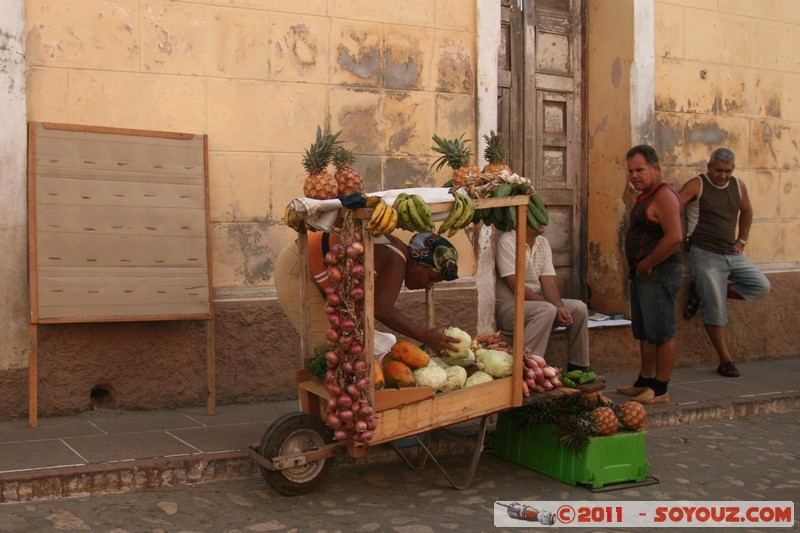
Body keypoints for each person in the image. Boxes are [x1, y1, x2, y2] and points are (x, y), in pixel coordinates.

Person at [274, 230, 462, 356]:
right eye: (431, 277)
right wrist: (425, 336)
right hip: (298, 267)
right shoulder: (397, 260)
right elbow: (381, 309)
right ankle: (323, 411)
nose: (429, 285)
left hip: (308, 263)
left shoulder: (398, 252)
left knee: (350, 343)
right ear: (416, 263)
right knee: (327, 344)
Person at [677, 148, 771, 378]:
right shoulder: (697, 184)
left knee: (761, 286)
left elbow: (747, 211)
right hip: (704, 253)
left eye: (728, 171)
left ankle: (705, 291)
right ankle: (725, 360)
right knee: (715, 309)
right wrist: (679, 235)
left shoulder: (738, 186)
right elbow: (674, 204)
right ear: (709, 167)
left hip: (731, 253)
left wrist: (742, 240)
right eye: (719, 170)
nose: (723, 175)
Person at [618, 144, 684, 404]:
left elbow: (675, 236)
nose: (634, 175)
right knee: (645, 331)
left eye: (640, 170)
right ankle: (645, 380)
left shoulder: (664, 195)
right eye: (630, 171)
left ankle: (660, 388)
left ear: (655, 168)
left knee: (662, 331)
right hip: (643, 274)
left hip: (659, 272)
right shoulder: (646, 195)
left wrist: (648, 263)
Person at [495, 222, 590, 373]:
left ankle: (578, 369)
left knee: (579, 308)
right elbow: (516, 286)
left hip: (536, 305)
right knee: (546, 309)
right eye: (537, 216)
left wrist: (559, 307)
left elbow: (548, 282)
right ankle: (527, 368)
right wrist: (552, 308)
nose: (543, 221)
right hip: (508, 307)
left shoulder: (543, 243)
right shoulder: (507, 241)